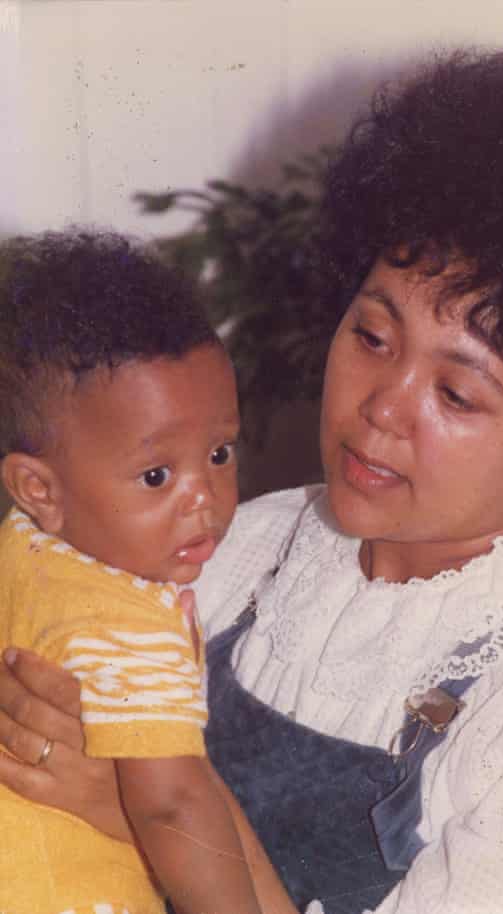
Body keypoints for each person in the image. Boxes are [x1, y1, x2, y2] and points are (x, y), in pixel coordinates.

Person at [2, 40, 503, 914]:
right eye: (370, 337)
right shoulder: (239, 544)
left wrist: (121, 804)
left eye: (456, 391)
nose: (381, 407)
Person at [0, 231, 275, 914]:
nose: (204, 499)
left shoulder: (23, 546)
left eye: (219, 452)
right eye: (156, 475)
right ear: (39, 489)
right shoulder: (130, 616)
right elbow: (174, 806)